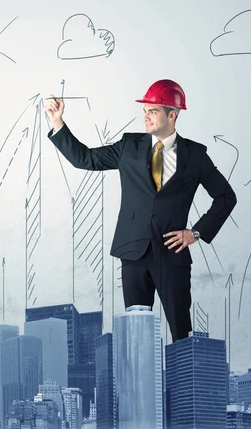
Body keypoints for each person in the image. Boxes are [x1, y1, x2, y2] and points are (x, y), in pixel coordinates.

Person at [44, 79, 237, 342]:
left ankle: (183, 382)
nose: (145, 117)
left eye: (153, 111)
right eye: (144, 111)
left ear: (172, 114)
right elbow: (84, 159)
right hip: (133, 252)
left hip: (172, 254)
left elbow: (226, 197)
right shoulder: (129, 146)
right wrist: (57, 122)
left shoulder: (196, 156)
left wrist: (195, 233)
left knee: (181, 332)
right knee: (137, 335)